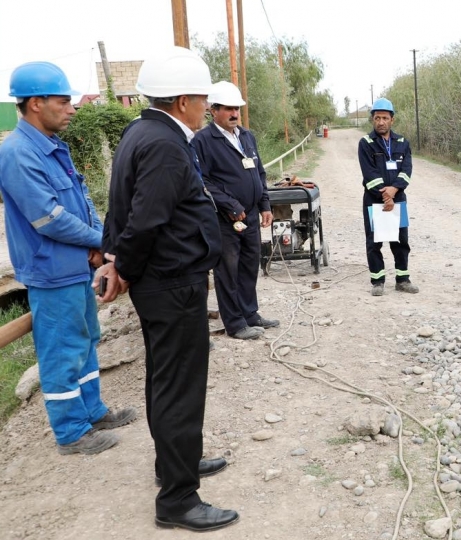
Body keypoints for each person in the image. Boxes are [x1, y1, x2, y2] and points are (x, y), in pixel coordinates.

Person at [94, 46, 238, 532]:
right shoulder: (163, 143)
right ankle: (177, 499)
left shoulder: (144, 132)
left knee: (166, 380)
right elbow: (146, 218)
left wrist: (118, 258)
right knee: (180, 387)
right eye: (202, 99)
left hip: (165, 281)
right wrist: (125, 266)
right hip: (171, 283)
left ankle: (175, 463)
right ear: (182, 101)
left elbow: (123, 211)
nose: (206, 106)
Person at [0, 62, 136, 456]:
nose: (72, 108)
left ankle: (92, 411)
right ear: (36, 103)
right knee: (61, 351)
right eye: (64, 101)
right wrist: (99, 240)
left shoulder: (54, 146)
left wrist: (101, 244)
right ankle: (71, 432)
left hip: (76, 265)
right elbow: (49, 218)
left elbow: (82, 203)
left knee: (86, 341)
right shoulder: (17, 153)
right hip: (50, 271)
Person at [191, 81, 278, 341]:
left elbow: (258, 173)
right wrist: (230, 205)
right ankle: (235, 323)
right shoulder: (203, 141)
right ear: (213, 110)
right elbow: (202, 181)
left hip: (250, 215)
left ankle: (250, 313)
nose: (234, 114)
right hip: (224, 219)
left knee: (250, 265)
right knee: (228, 270)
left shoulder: (246, 136)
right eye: (228, 109)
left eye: (237, 109)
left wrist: (264, 204)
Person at [357, 98, 418, 296]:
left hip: (398, 199)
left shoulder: (402, 143)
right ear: (372, 120)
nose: (381, 122)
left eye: (385, 118)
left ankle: (403, 280)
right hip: (374, 200)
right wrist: (385, 195)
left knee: (400, 241)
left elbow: (406, 171)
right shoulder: (366, 143)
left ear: (392, 119)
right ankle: (377, 281)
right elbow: (369, 174)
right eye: (377, 118)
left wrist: (394, 191)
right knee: (374, 242)